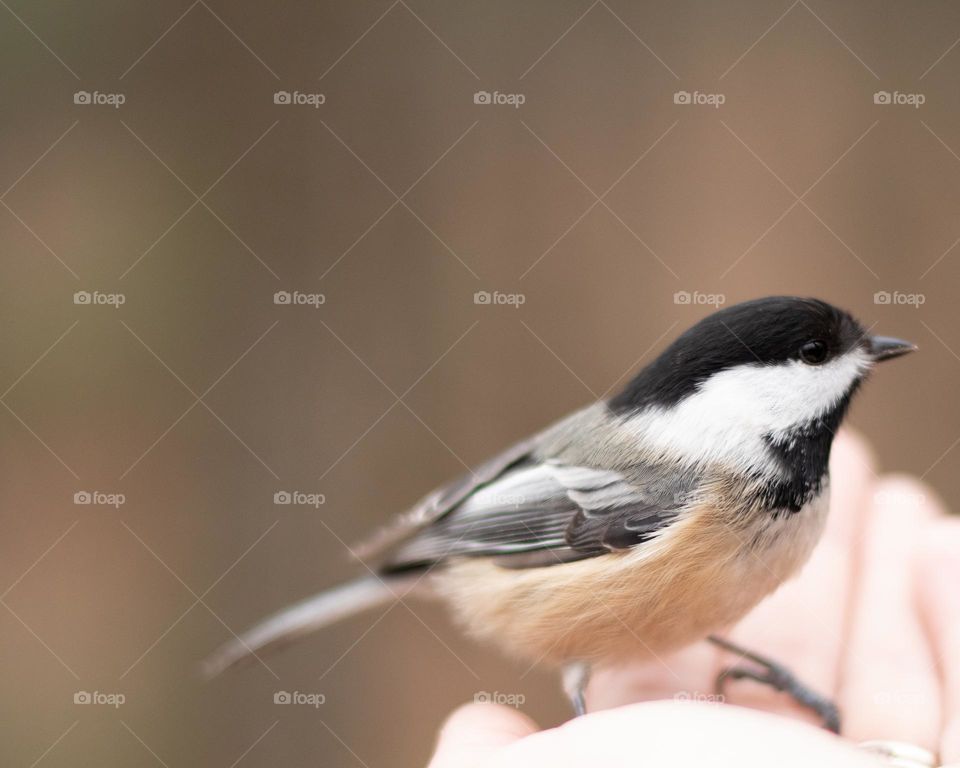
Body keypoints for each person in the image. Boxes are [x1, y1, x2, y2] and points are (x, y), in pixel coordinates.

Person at [427, 431, 960, 767]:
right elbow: (527, 505)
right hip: (498, 547)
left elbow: (690, 606)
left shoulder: (789, 484)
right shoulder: (679, 478)